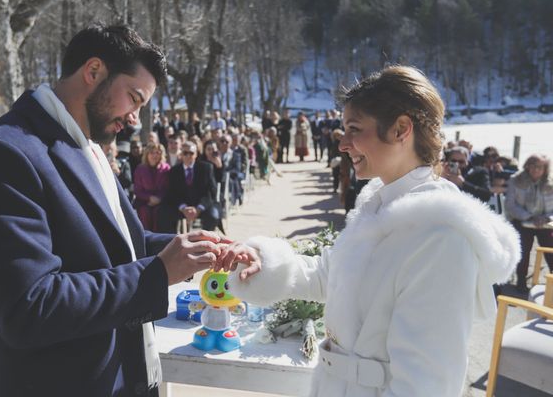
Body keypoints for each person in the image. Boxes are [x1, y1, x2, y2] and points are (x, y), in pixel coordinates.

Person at [0, 24, 225, 397]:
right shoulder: (1, 154)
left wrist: (189, 248)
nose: (135, 119)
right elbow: (28, 307)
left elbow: (116, 243)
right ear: (93, 71)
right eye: (134, 98)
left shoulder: (84, 144)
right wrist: (156, 274)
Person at [219, 65, 520, 396]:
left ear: (401, 130)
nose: (343, 144)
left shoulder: (441, 238)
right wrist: (265, 263)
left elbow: (427, 383)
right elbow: (331, 274)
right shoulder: (377, 205)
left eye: (354, 129)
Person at [505, 153, 553, 293]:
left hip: (545, 223)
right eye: (532, 166)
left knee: (550, 251)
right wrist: (530, 217)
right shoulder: (516, 180)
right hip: (522, 221)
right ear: (527, 166)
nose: (536, 170)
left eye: (539, 167)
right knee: (523, 251)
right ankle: (521, 281)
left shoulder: (551, 182)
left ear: (545, 168)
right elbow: (510, 205)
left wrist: (546, 218)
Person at [159, 141, 220, 233]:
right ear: (181, 154)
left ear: (196, 154)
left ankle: (205, 242)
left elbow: (211, 192)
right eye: (185, 153)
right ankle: (171, 242)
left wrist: (199, 208)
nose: (188, 156)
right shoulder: (174, 171)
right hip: (182, 206)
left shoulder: (206, 168)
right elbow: (172, 193)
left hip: (202, 206)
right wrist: (183, 208)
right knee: (164, 213)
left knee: (213, 216)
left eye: (191, 153)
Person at [133, 143, 170, 232]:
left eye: (157, 152)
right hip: (144, 201)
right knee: (144, 211)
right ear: (147, 154)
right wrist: (150, 198)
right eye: (152, 153)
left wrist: (159, 198)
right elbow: (137, 190)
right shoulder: (140, 169)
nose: (154, 155)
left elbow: (167, 188)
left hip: (162, 200)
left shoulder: (166, 168)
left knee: (160, 212)